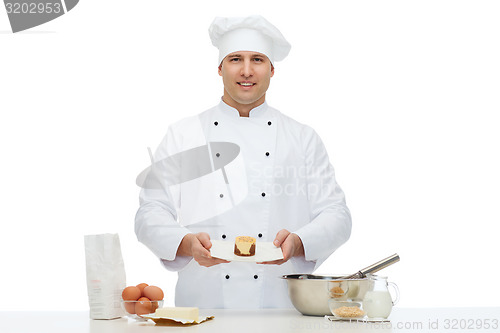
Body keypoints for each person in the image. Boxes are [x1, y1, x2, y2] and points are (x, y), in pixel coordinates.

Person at [135, 15, 352, 308]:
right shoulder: (184, 134)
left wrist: (299, 240)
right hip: (203, 305)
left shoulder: (301, 137)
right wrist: (184, 243)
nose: (247, 71)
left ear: (272, 69)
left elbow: (337, 215)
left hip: (280, 307)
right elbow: (150, 212)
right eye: (236, 59)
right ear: (220, 68)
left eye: (258, 60)